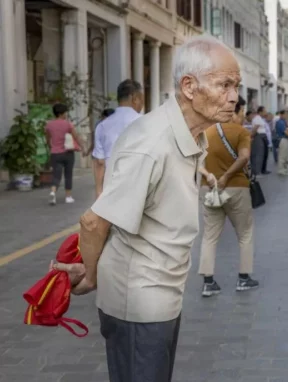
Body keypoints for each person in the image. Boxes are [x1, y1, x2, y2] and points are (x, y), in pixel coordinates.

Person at [51, 35, 241, 382]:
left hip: (163, 296)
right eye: (224, 84)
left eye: (236, 86)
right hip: (139, 303)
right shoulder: (151, 142)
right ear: (188, 86)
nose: (233, 97)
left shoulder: (191, 134)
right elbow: (93, 222)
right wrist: (92, 275)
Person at [197, 95, 258, 297]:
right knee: (245, 234)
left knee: (209, 236)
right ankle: (243, 278)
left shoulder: (205, 133)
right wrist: (226, 177)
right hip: (237, 188)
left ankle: (208, 282)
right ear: (236, 110)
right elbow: (244, 157)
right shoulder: (241, 132)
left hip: (210, 189)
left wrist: (210, 177)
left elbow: (196, 162)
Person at [92, 80, 144, 199]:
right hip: (139, 186)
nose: (142, 104)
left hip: (111, 187)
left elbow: (100, 163)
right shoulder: (145, 122)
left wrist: (99, 192)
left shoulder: (102, 126)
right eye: (142, 99)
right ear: (135, 98)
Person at [45, 103, 85, 206]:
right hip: (67, 153)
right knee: (68, 175)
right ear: (62, 113)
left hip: (55, 153)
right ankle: (68, 197)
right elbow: (76, 137)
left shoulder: (49, 125)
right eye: (65, 112)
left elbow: (48, 139)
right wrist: (83, 148)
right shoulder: (67, 124)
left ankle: (53, 192)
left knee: (56, 175)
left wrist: (51, 147)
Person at [275, 110, 288, 176]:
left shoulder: (283, 122)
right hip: (282, 139)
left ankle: (284, 169)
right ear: (281, 115)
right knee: (282, 156)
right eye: (285, 115)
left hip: (285, 139)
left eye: (287, 115)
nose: (286, 116)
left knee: (285, 156)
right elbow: (285, 131)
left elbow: (287, 129)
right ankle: (281, 170)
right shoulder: (280, 122)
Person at [250, 106, 268, 176]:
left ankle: (259, 170)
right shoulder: (257, 119)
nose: (266, 112)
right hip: (258, 136)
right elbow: (255, 129)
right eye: (264, 111)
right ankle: (256, 171)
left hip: (262, 136)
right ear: (260, 112)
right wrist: (251, 136)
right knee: (258, 154)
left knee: (262, 154)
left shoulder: (261, 118)